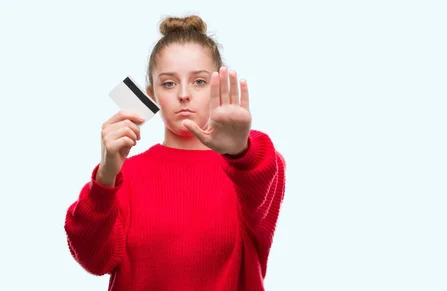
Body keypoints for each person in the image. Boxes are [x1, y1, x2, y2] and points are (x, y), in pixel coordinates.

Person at [64, 14, 286, 291]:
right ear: (151, 94)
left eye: (199, 82)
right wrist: (105, 178)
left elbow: (262, 170)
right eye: (169, 83)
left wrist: (240, 151)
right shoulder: (126, 175)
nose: (183, 94)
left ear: (218, 87)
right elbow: (94, 260)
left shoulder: (246, 170)